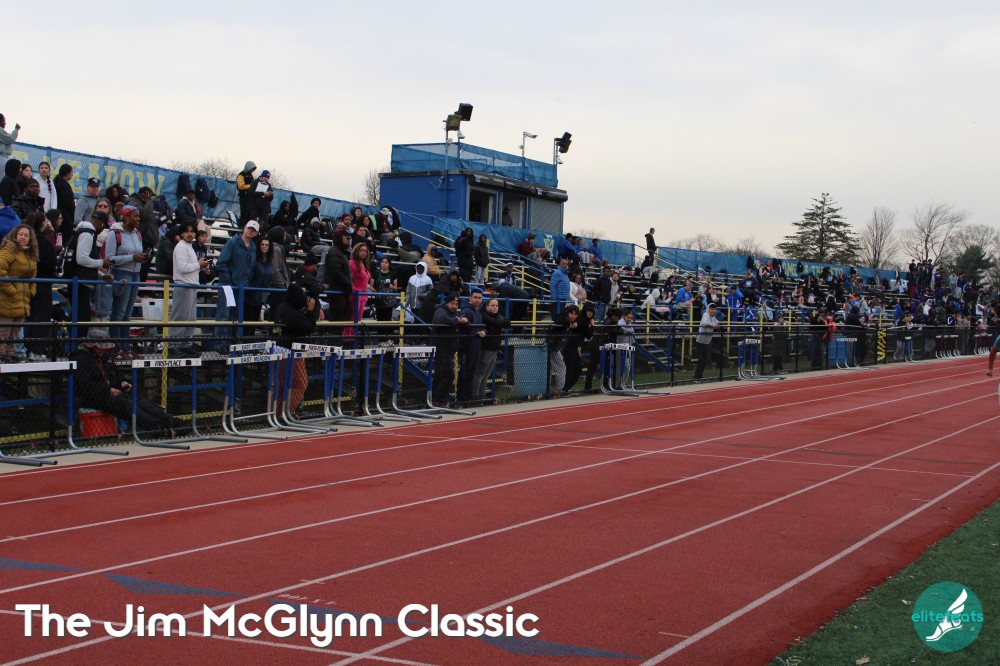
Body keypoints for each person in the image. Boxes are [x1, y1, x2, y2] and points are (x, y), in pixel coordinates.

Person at [73, 329, 174, 435]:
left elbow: (116, 373)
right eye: (100, 347)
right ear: (91, 346)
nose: (103, 350)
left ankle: (172, 423)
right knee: (127, 406)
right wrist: (108, 390)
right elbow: (84, 386)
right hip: (94, 397)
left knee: (139, 401)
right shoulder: (81, 358)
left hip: (112, 393)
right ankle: (158, 428)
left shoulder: (105, 356)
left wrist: (122, 382)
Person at [105, 205, 150, 355]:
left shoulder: (137, 234)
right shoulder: (115, 234)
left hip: (135, 273)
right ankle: (115, 347)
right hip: (121, 274)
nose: (138, 219)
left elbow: (136, 255)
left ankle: (125, 346)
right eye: (135, 216)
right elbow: (109, 258)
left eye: (138, 216)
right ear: (126, 217)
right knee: (119, 312)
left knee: (127, 313)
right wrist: (131, 257)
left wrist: (144, 257)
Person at [275, 284, 318, 418]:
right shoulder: (290, 313)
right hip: (290, 352)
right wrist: (310, 312)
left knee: (282, 384)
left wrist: (303, 312)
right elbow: (308, 328)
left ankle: (279, 413)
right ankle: (288, 412)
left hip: (279, 350)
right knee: (300, 383)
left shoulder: (282, 308)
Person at [214, 220, 259, 346]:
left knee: (235, 317)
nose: (250, 231)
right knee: (224, 315)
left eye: (253, 230)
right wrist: (227, 281)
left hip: (241, 287)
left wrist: (246, 282)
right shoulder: (233, 242)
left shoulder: (253, 248)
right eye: (249, 228)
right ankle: (221, 345)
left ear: (256, 233)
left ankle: (232, 344)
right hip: (228, 286)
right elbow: (221, 263)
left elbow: (251, 268)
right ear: (244, 228)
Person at [0, 224, 38, 361]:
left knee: (14, 334)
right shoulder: (8, 250)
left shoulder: (30, 254)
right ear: (15, 235)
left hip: (22, 301)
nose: (23, 237)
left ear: (30, 239)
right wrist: (12, 290)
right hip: (6, 299)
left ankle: (8, 358)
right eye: (21, 234)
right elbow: (1, 271)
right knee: (3, 333)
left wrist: (31, 291)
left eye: (26, 235)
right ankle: (1, 358)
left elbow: (33, 276)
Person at [168, 222, 206, 354]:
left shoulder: (188, 247)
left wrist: (201, 268)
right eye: (187, 231)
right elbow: (182, 268)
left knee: (190, 318)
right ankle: (173, 345)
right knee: (181, 317)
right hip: (183, 285)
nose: (190, 234)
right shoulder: (181, 247)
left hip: (190, 285)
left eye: (192, 231)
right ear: (181, 233)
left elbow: (189, 267)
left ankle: (185, 344)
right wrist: (198, 265)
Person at [431, 294, 469, 406]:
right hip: (441, 348)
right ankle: (438, 400)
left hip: (449, 349)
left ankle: (437, 400)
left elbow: (461, 322)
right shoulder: (440, 310)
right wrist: (457, 320)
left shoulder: (454, 314)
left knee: (441, 375)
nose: (454, 306)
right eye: (452, 303)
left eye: (456, 304)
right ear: (446, 303)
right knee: (447, 374)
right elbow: (442, 319)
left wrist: (465, 321)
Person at [471, 297, 508, 401]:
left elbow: (507, 323)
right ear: (487, 307)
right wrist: (500, 320)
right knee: (480, 373)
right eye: (492, 305)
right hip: (487, 348)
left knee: (487, 374)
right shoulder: (483, 315)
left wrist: (499, 319)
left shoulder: (497, 316)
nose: (495, 307)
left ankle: (481, 395)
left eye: (496, 306)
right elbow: (495, 322)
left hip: (494, 348)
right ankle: (475, 396)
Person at [323, 228, 353, 336]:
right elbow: (336, 273)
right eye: (346, 238)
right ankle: (333, 340)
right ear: (340, 238)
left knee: (344, 315)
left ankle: (335, 339)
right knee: (337, 318)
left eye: (349, 239)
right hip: (337, 291)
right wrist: (348, 283)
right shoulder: (335, 252)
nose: (348, 241)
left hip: (341, 291)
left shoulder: (339, 251)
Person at [458, 289, 486, 400]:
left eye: (479, 298)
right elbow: (464, 321)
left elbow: (481, 327)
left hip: (476, 347)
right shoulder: (467, 310)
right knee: (465, 373)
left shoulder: (478, 312)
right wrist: (465, 321)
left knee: (472, 373)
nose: (477, 300)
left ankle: (469, 397)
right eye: (475, 297)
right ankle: (463, 398)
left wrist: (483, 332)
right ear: (470, 298)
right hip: (467, 347)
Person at [547, 304, 579, 395]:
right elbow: (558, 321)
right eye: (571, 313)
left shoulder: (575, 321)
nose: (573, 316)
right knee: (559, 368)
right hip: (550, 346)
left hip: (556, 348)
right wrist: (569, 324)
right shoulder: (562, 317)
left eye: (575, 314)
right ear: (567, 313)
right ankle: (557, 390)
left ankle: (555, 390)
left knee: (556, 368)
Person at [693, 302, 720, 382]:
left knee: (704, 360)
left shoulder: (713, 317)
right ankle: (696, 377)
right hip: (701, 341)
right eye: (711, 309)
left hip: (707, 341)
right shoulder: (706, 315)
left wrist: (717, 324)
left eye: (714, 309)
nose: (713, 311)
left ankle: (699, 376)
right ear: (708, 309)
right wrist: (714, 325)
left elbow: (717, 322)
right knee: (702, 360)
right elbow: (705, 322)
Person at [54, 164, 76, 246]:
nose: (72, 174)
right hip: (65, 216)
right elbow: (70, 203)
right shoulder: (63, 185)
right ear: (67, 173)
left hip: (59, 213)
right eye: (72, 172)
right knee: (66, 239)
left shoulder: (57, 182)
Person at [235, 160, 257, 226]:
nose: (252, 170)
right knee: (244, 213)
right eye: (251, 168)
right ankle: (241, 227)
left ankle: (247, 226)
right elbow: (241, 186)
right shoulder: (241, 175)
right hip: (244, 197)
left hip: (250, 197)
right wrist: (251, 186)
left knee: (250, 214)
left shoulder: (250, 175)